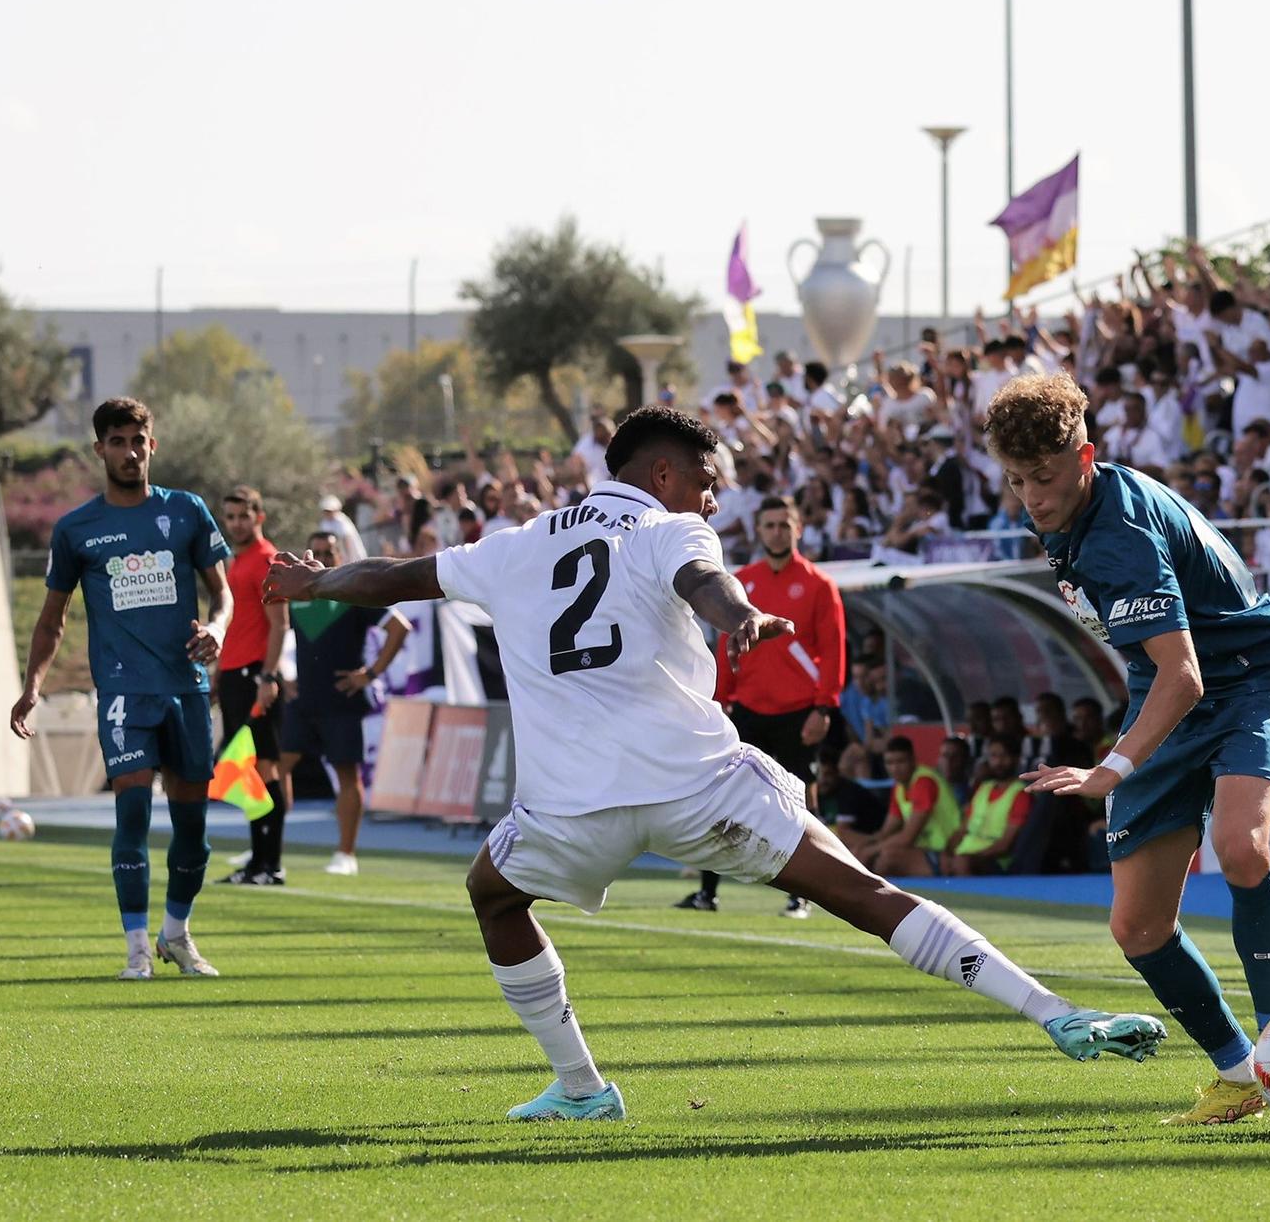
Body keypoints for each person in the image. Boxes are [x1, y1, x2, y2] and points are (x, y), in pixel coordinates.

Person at [260, 406, 1166, 1121]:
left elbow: (396, 574)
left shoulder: (515, 546)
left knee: (493, 897)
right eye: (706, 481)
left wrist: (313, 583)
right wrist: (742, 622)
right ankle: (1060, 1015)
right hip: (697, 784)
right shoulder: (664, 529)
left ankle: (581, 1088)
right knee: (862, 895)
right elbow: (708, 583)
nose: (713, 501)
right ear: (662, 474)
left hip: (573, 807)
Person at [982, 374, 1270, 1126]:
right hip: (1166, 686)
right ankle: (1241, 1075)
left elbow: (1187, 674)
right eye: (1015, 481)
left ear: (1085, 457)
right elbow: (1161, 666)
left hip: (1247, 679)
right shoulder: (1072, 510)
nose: (1031, 497)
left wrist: (1111, 768)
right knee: (1137, 928)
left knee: (1241, 848)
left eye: (1043, 477)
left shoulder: (1119, 535)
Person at [10, 397, 231, 980]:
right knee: (131, 815)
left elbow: (223, 594)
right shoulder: (76, 530)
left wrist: (218, 628)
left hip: (185, 687)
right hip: (124, 695)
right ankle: (136, 947)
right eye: (118, 442)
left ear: (152, 445)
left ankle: (176, 934)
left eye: (139, 440)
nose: (130, 452)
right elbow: (53, 617)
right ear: (99, 449)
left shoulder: (186, 512)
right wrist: (32, 686)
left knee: (194, 832)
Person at [676, 495, 847, 918]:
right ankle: (707, 892)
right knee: (722, 796)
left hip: (797, 710)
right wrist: (721, 700)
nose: (776, 532)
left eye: (782, 525)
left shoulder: (818, 585)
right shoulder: (741, 582)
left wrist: (824, 707)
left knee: (801, 801)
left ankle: (804, 895)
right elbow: (726, 642)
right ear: (759, 530)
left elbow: (833, 648)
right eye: (769, 525)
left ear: (798, 529)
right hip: (748, 707)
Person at [278, 531, 412, 878]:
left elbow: (399, 628)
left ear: (340, 556)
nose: (321, 558)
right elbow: (275, 633)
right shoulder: (299, 597)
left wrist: (370, 674)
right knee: (274, 768)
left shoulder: (354, 595)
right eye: (316, 551)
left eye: (329, 553)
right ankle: (267, 846)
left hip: (341, 701)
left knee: (346, 776)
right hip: (303, 701)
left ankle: (346, 853)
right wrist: (282, 676)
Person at [213, 486, 290, 884]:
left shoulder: (266, 560)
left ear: (259, 517)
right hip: (233, 674)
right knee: (242, 771)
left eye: (244, 516)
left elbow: (280, 624)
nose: (237, 523)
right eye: (230, 517)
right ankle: (257, 861)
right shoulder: (235, 561)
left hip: (255, 675)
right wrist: (217, 674)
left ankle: (270, 864)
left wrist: (268, 675)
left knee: (262, 770)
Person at [852, 735, 963, 878]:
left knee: (888, 857)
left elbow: (907, 837)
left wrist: (871, 850)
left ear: (913, 760)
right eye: (889, 763)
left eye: (900, 761)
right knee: (863, 852)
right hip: (925, 850)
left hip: (947, 851)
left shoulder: (924, 781)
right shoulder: (899, 787)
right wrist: (863, 847)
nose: (895, 768)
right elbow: (886, 832)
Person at [943, 736, 1033, 876]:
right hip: (965, 855)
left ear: (1016, 759)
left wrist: (970, 857)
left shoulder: (1020, 794)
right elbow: (962, 830)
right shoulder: (983, 788)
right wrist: (947, 853)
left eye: (1003, 756)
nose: (998, 762)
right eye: (993, 756)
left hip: (995, 861)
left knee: (961, 863)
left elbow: (1005, 845)